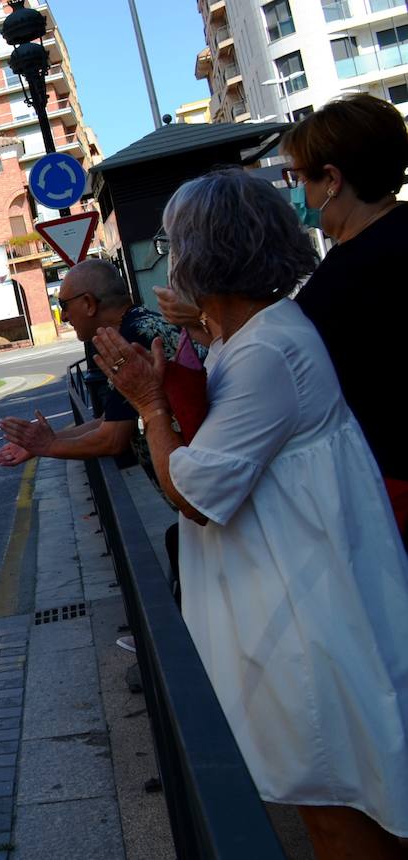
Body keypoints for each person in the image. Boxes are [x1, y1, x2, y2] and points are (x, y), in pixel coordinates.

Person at [97, 167, 408, 858]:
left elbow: (193, 494)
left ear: (207, 254)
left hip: (303, 621)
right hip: (301, 606)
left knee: (335, 810)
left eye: (176, 244)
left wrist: (149, 405)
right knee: (336, 800)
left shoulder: (266, 348)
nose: (169, 260)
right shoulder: (255, 337)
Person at [280, 93, 408, 538]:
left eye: (299, 178)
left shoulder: (343, 278)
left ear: (332, 180)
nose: (300, 193)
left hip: (390, 482)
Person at [0, 258, 186, 469]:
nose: (63, 316)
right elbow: (109, 420)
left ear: (89, 304)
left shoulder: (130, 339)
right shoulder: (136, 324)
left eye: (64, 305)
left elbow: (112, 439)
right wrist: (43, 442)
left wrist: (49, 446)